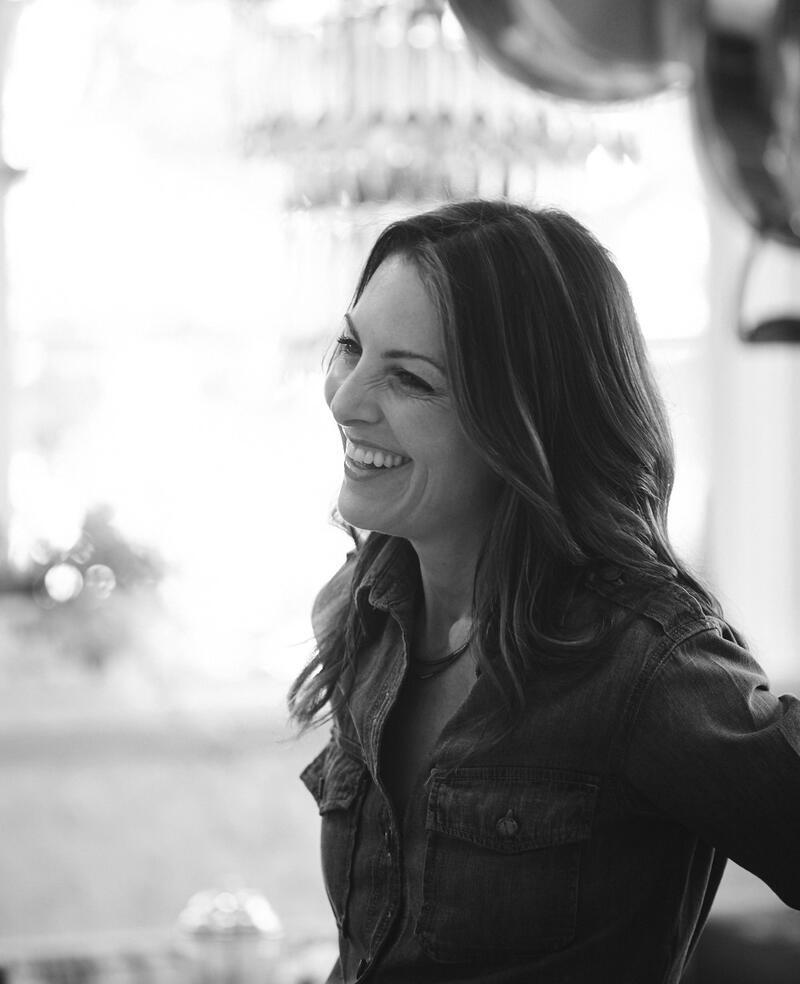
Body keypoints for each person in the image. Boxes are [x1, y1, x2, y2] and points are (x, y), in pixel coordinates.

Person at [288, 199, 800, 984]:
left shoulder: (645, 665)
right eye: (351, 347)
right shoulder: (366, 609)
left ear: (524, 419)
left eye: (408, 379)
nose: (346, 399)